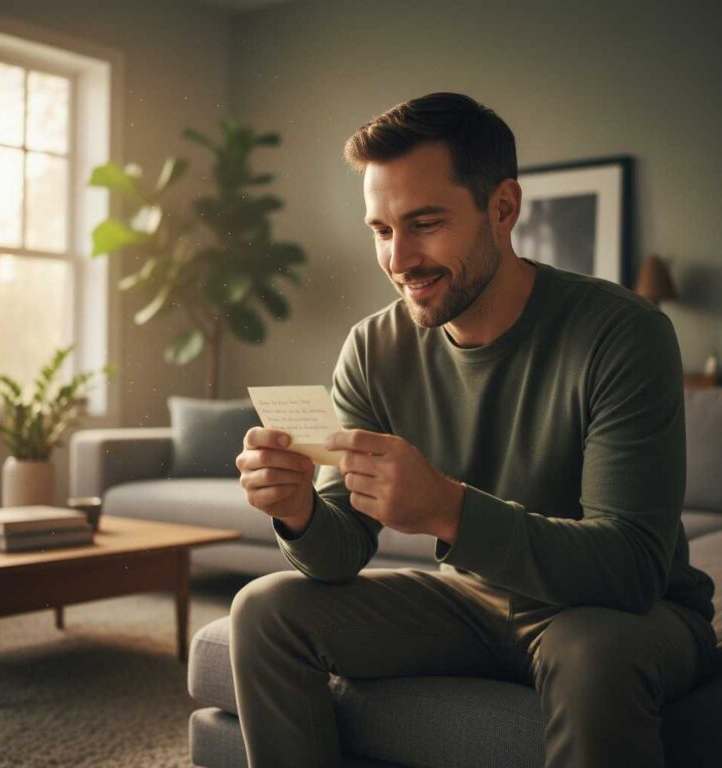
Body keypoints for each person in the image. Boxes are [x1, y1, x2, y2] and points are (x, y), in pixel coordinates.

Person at [232, 92, 717, 768]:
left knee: (591, 653)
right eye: (380, 229)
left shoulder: (623, 333)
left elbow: (631, 568)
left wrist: (446, 509)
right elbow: (339, 553)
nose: (399, 259)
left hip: (632, 613)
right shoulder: (373, 348)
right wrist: (300, 514)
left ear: (504, 208)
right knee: (264, 609)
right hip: (474, 598)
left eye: (424, 223)